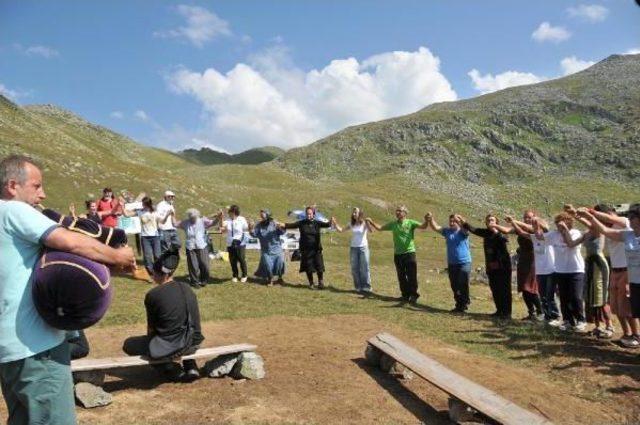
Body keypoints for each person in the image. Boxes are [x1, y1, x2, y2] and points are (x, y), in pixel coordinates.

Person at [0, 155, 134, 425]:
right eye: (36, 186)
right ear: (13, 185)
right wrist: (119, 258)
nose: (43, 194)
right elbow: (68, 242)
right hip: (37, 348)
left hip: (9, 351)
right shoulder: (13, 210)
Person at [123, 247, 204, 382]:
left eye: (153, 273)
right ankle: (191, 366)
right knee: (184, 330)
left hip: (171, 346)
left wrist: (152, 344)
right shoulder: (187, 288)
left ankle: (171, 370)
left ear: (159, 273)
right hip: (194, 342)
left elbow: (152, 330)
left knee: (129, 344)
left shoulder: (153, 295)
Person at [577, 207, 640, 346]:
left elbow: (611, 219)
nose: (630, 219)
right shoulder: (626, 234)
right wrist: (589, 216)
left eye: (632, 217)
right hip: (616, 270)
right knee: (616, 306)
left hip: (628, 272)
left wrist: (591, 213)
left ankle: (636, 335)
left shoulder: (623, 222)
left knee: (628, 307)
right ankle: (627, 334)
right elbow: (604, 230)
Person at [535, 212, 587, 332]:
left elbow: (570, 244)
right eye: (558, 223)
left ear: (569, 222)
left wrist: (565, 231)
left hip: (575, 269)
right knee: (564, 297)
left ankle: (581, 319)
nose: (560, 225)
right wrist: (536, 225)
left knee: (576, 296)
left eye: (563, 222)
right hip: (560, 269)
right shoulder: (553, 234)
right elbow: (539, 237)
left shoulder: (575, 232)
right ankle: (568, 320)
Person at [366, 206, 428, 303]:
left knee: (411, 276)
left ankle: (413, 295)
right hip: (398, 254)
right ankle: (405, 295)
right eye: (397, 211)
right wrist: (371, 222)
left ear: (405, 213)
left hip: (409, 253)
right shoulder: (393, 224)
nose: (397, 212)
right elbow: (380, 228)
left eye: (400, 211)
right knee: (401, 276)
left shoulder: (411, 222)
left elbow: (423, 227)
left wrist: (427, 220)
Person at [506, 215, 561, 325]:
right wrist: (513, 222)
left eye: (537, 227)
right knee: (543, 295)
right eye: (534, 227)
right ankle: (547, 316)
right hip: (540, 271)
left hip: (550, 270)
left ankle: (555, 316)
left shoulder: (548, 236)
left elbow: (541, 227)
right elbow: (521, 232)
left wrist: (535, 223)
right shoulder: (534, 237)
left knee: (549, 295)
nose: (535, 229)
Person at [458, 214, 512, 319]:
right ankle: (499, 310)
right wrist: (464, 222)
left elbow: (504, 240)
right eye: (488, 220)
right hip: (491, 266)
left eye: (492, 220)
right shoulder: (486, 233)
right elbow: (474, 230)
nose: (490, 222)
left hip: (503, 266)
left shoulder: (502, 232)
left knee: (504, 290)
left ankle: (506, 313)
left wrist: (495, 230)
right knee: (495, 288)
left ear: (496, 222)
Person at [425, 213, 472, 312]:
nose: (451, 223)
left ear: (459, 222)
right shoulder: (447, 231)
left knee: (462, 282)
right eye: (450, 221)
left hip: (464, 262)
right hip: (452, 263)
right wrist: (431, 219)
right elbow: (436, 227)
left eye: (454, 221)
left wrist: (461, 219)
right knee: (454, 284)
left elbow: (466, 229)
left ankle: (464, 302)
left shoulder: (463, 231)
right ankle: (459, 304)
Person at [502, 211, 544, 321]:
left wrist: (513, 222)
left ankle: (541, 311)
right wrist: (493, 225)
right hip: (523, 260)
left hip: (533, 260)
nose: (527, 219)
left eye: (529, 217)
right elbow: (507, 230)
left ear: (534, 218)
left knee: (530, 287)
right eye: (525, 217)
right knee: (523, 287)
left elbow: (523, 230)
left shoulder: (536, 229)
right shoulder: (520, 226)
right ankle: (531, 312)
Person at [281, 206, 334, 289]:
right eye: (307, 214)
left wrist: (331, 221)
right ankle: (311, 283)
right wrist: (281, 224)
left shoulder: (317, 223)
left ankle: (321, 282)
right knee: (308, 267)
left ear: (313, 214)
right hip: (305, 249)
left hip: (316, 249)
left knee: (319, 265)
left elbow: (327, 225)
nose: (308, 215)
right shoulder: (302, 223)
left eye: (310, 214)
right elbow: (291, 225)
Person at [334, 207, 373, 294]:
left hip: (363, 248)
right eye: (353, 212)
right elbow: (341, 230)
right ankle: (358, 287)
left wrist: (368, 223)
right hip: (353, 248)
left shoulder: (364, 223)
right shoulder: (351, 224)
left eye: (355, 212)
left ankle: (366, 287)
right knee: (354, 268)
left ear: (360, 214)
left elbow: (371, 231)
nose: (354, 214)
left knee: (364, 268)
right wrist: (335, 223)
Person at [176, 208, 219, 287]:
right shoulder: (185, 223)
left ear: (197, 216)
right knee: (193, 265)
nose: (192, 219)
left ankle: (204, 280)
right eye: (191, 218)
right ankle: (194, 282)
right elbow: (175, 224)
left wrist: (218, 218)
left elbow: (213, 223)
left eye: (194, 217)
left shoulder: (202, 221)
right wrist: (171, 215)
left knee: (205, 264)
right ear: (189, 217)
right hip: (190, 247)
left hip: (201, 245)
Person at [250, 209, 286, 286]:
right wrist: (250, 228)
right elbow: (254, 234)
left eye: (262, 216)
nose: (261, 217)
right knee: (268, 265)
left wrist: (280, 227)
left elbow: (282, 232)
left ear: (268, 216)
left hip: (277, 249)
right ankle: (270, 279)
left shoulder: (274, 223)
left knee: (280, 263)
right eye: (260, 216)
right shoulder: (259, 225)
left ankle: (280, 278)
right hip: (266, 250)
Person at [137, 196, 167, 276]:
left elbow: (163, 221)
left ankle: (159, 270)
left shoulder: (154, 212)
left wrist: (167, 215)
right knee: (147, 256)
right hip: (145, 237)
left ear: (148, 204)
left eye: (145, 204)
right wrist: (122, 207)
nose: (143, 206)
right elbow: (127, 214)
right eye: (143, 204)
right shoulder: (140, 212)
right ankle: (150, 272)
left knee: (157, 255)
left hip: (155, 237)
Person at [219, 205, 250, 283]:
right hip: (230, 243)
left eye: (229, 212)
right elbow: (222, 225)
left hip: (240, 242)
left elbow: (246, 228)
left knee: (241, 259)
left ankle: (244, 275)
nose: (228, 213)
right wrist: (221, 218)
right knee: (232, 260)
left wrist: (250, 225)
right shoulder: (228, 220)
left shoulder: (241, 219)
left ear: (234, 212)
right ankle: (235, 275)